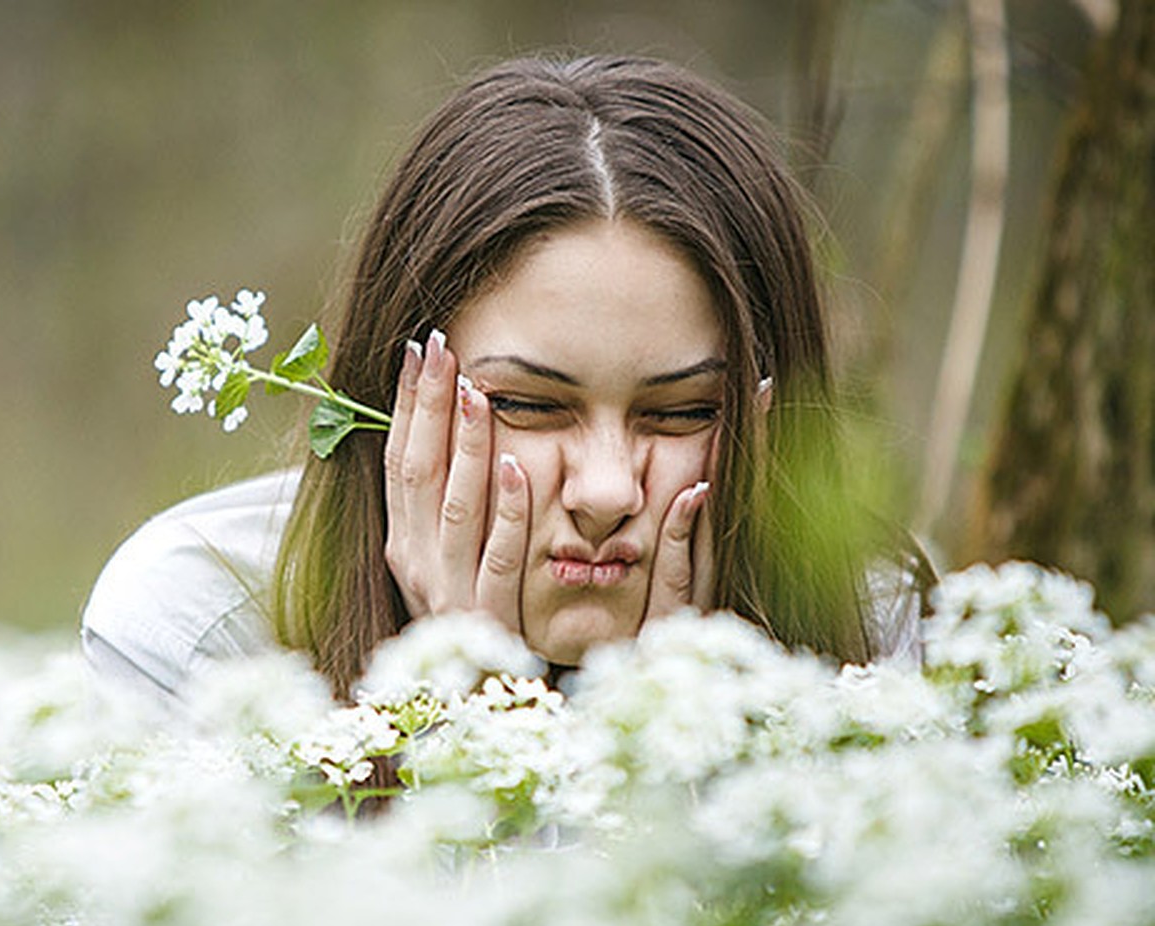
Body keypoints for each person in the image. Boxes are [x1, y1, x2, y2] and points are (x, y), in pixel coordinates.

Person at [82, 54, 933, 703]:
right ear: (394, 408)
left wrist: (670, 741)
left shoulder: (874, 638)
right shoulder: (200, 633)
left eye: (681, 413)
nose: (605, 492)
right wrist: (464, 711)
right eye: (528, 404)